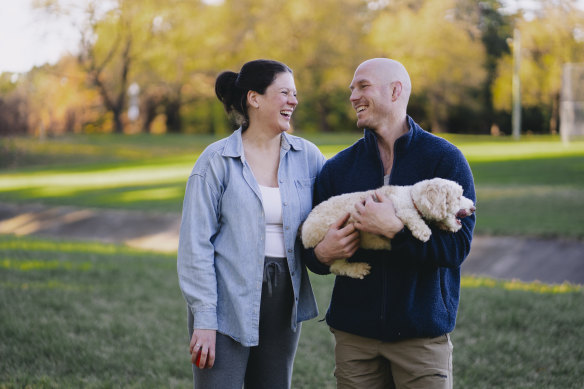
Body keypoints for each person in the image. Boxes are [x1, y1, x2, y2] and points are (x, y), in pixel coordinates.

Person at [304, 58, 476, 389]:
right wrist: (324, 253)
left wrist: (395, 231)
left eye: (363, 86)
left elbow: (457, 248)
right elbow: (310, 252)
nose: (353, 95)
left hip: (421, 338)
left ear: (395, 90)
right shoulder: (338, 168)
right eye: (352, 88)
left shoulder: (444, 159)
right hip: (354, 339)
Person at [177, 59, 325, 388]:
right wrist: (204, 318)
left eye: (295, 94)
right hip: (226, 301)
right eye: (284, 92)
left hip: (284, 300)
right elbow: (195, 244)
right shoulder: (216, 161)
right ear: (254, 98)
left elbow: (334, 208)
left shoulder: (308, 157)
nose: (294, 101)